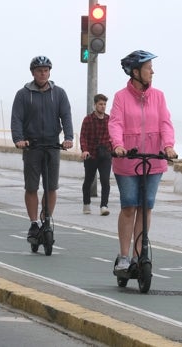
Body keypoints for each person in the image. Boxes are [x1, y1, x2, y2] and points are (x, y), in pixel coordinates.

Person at [109, 50, 177, 271]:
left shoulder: (159, 96)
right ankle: (124, 256)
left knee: (146, 206)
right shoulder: (121, 97)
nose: (152, 71)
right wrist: (118, 145)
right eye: (148, 68)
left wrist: (168, 146)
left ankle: (139, 254)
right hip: (127, 159)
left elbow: (165, 123)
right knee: (129, 205)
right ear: (135, 72)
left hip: (154, 159)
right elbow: (116, 123)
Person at [11, 55, 74, 243]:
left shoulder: (59, 93)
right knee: (31, 186)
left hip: (53, 144)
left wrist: (69, 138)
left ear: (50, 72)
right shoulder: (23, 94)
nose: (43, 73)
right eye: (39, 71)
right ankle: (33, 223)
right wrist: (19, 140)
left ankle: (47, 218)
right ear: (33, 73)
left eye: (46, 70)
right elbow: (17, 119)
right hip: (32, 146)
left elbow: (66, 116)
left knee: (51, 186)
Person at [79, 93, 112, 216]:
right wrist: (85, 150)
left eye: (104, 104)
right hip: (91, 154)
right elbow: (83, 136)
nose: (103, 107)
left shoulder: (109, 120)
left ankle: (104, 205)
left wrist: (114, 150)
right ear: (95, 105)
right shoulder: (88, 120)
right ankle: (86, 204)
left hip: (105, 155)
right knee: (89, 180)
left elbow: (113, 137)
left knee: (105, 180)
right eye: (100, 104)